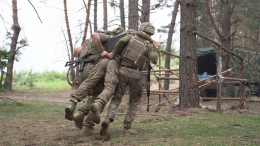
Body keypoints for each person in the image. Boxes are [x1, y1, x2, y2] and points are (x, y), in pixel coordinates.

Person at [92, 22, 159, 138]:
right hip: (136, 74)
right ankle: (127, 128)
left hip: (122, 71)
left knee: (116, 98)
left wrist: (113, 53)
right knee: (134, 101)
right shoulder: (149, 44)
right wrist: (156, 46)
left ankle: (108, 119)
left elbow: (120, 42)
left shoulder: (131, 36)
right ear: (151, 33)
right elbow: (154, 59)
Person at [69, 27, 128, 130]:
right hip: (95, 67)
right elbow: (95, 35)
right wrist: (101, 51)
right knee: (101, 96)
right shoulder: (107, 38)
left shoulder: (89, 43)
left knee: (94, 94)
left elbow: (76, 52)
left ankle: (82, 116)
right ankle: (85, 119)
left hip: (83, 70)